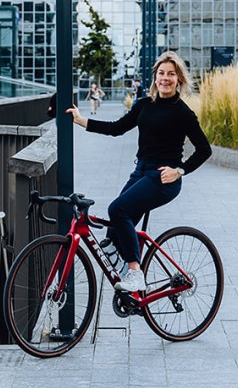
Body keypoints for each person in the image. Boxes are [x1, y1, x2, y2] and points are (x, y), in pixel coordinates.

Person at [66, 51, 211, 292]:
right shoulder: (144, 104)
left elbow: (204, 149)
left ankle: (135, 272)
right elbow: (117, 128)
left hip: (163, 177)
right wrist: (83, 122)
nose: (166, 78)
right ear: (155, 77)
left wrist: (180, 171)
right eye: (161, 73)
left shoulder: (183, 113)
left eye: (171, 74)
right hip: (140, 172)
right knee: (114, 229)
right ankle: (129, 287)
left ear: (179, 80)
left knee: (117, 209)